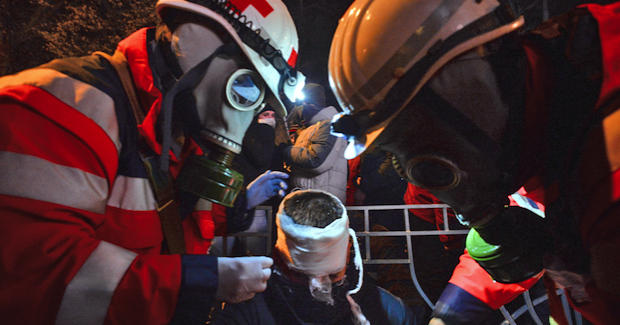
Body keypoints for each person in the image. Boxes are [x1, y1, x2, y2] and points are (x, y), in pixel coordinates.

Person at [0, 0, 305, 323]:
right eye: (246, 86)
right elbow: (33, 281)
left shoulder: (173, 129)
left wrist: (239, 206)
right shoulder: (60, 109)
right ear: (196, 41)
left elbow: (172, 218)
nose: (245, 118)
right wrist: (200, 280)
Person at [327, 0, 620, 324]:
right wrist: (456, 310)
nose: (423, 174)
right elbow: (527, 219)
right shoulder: (534, 113)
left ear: (470, 88)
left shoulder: (605, 170)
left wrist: (590, 277)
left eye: (417, 137)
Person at [211, 189, 419, 325]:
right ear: (347, 248)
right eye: (303, 276)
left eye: (331, 275)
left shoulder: (247, 310)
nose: (318, 287)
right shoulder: (387, 309)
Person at [284, 83, 348, 202]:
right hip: (308, 202)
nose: (300, 108)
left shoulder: (329, 125)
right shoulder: (308, 129)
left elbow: (317, 162)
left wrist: (287, 151)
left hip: (322, 204)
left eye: (303, 103)